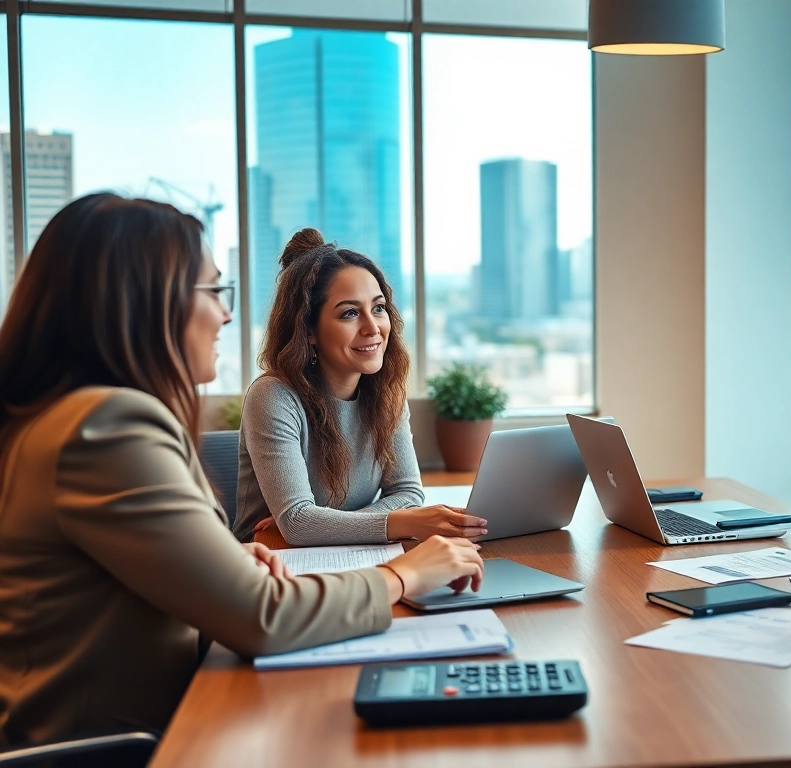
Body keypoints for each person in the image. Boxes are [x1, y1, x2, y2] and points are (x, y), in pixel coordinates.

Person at [0, 194, 485, 747]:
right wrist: (405, 576)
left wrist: (223, 557)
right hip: (113, 748)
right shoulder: (106, 428)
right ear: (142, 303)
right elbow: (263, 618)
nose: (225, 313)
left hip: (158, 720)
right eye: (211, 291)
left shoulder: (78, 418)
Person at [233, 229, 487, 546]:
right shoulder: (273, 396)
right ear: (309, 331)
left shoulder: (387, 392)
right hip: (269, 563)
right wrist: (395, 521)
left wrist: (324, 525)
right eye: (350, 313)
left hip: (351, 555)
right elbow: (298, 525)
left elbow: (408, 493)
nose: (372, 328)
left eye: (378, 308)